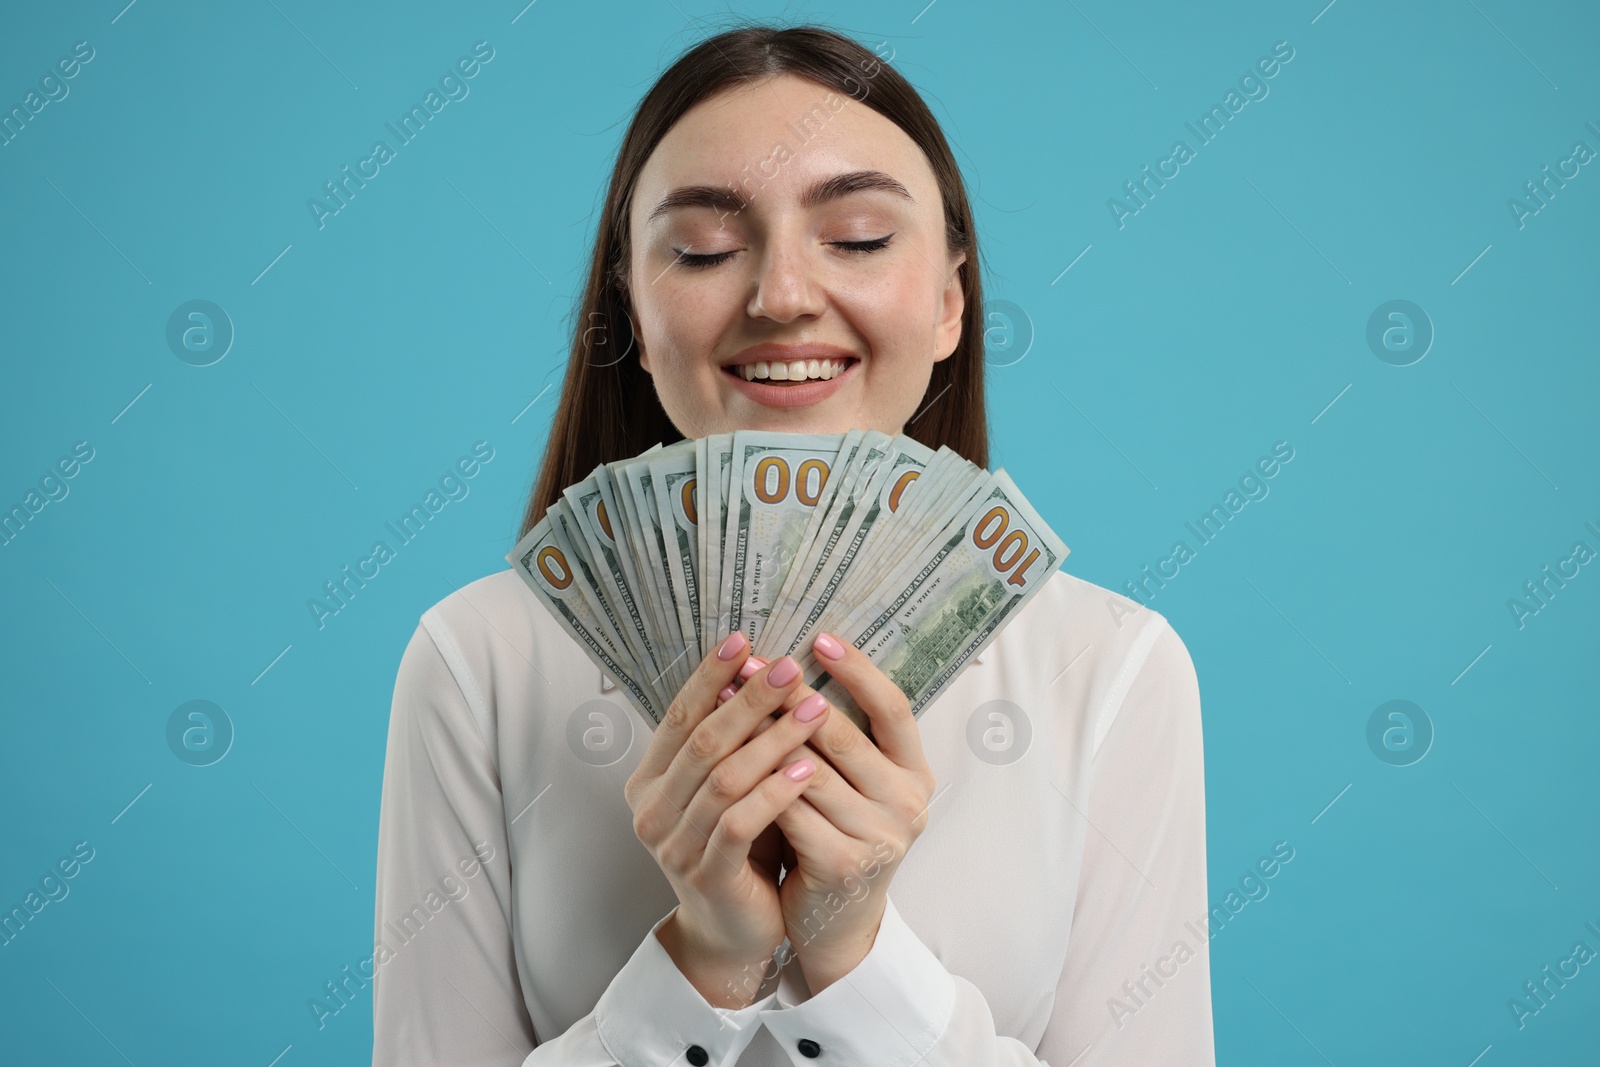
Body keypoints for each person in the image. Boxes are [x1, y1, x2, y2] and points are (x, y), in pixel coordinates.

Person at [372, 20, 1213, 1066]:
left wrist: (854, 953)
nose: (780, 296)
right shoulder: (475, 659)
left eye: (857, 236)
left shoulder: (1116, 670)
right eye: (704, 250)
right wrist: (704, 963)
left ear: (951, 299)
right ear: (630, 304)